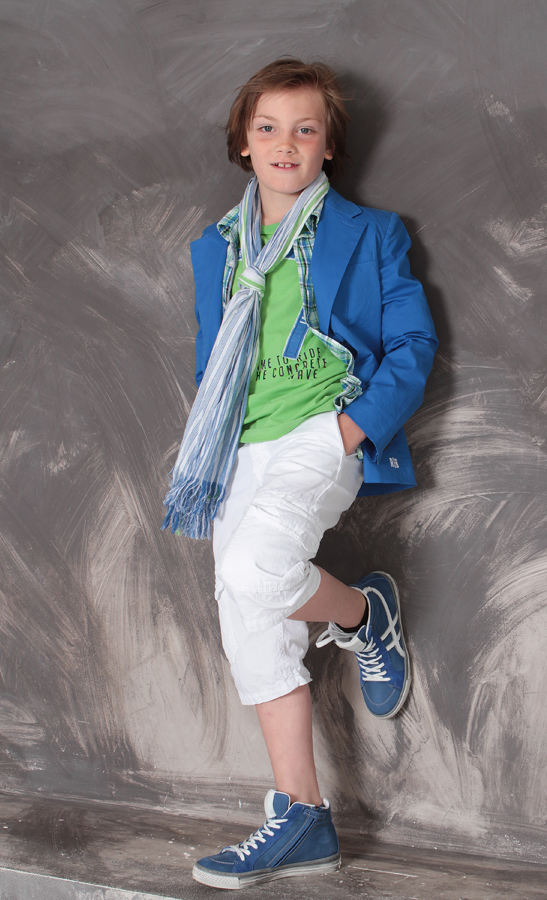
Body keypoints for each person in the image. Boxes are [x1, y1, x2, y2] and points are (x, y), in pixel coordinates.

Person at [163, 58, 437, 890]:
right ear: (244, 144)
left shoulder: (372, 233)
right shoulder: (215, 248)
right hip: (238, 443)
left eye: (305, 129)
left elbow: (413, 346)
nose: (286, 143)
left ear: (328, 146)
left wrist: (351, 430)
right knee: (246, 619)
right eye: (269, 128)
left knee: (257, 569)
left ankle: (364, 614)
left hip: (324, 429)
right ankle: (305, 819)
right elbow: (215, 360)